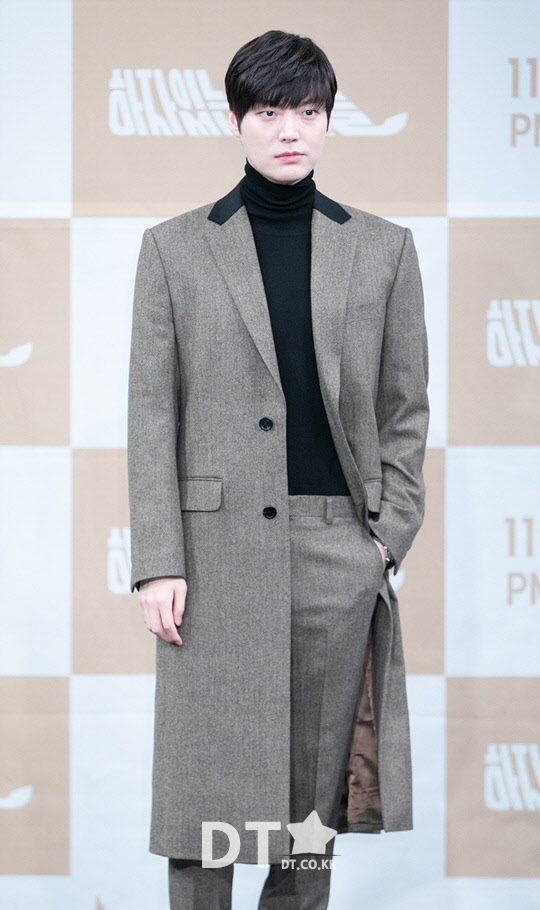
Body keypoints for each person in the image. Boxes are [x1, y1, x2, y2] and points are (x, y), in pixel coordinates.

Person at [127, 29, 429, 910]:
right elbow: (151, 412)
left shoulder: (384, 249)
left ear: (329, 121)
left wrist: (385, 539)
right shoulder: (174, 248)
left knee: (305, 823)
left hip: (338, 555)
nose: (289, 130)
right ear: (236, 121)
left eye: (306, 111)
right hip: (212, 559)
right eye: (268, 112)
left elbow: (405, 409)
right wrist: (158, 560)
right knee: (206, 810)